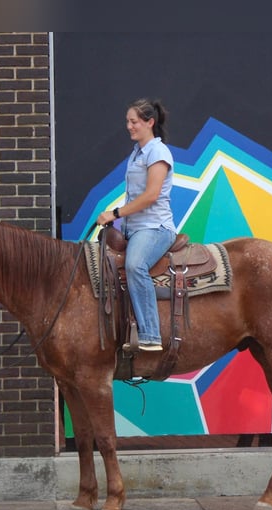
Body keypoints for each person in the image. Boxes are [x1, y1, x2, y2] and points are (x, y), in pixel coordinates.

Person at [96, 98, 177, 352]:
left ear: (149, 122)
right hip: (136, 229)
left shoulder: (157, 152)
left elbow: (151, 195)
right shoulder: (138, 153)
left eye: (134, 121)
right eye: (128, 122)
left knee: (134, 264)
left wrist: (115, 213)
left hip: (155, 228)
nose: (129, 126)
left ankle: (151, 333)